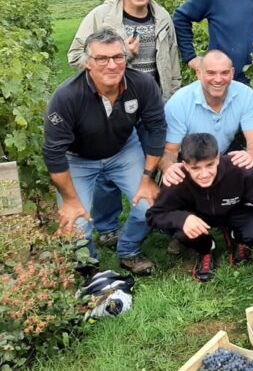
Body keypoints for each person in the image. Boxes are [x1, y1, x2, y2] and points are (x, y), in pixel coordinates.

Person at [67, 0, 180, 250]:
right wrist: (121, 58)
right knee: (107, 168)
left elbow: (171, 61)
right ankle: (107, 227)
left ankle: (157, 218)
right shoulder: (101, 17)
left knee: (157, 163)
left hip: (152, 104)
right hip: (112, 105)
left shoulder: (162, 16)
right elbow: (74, 56)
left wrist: (172, 96)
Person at [43, 28, 166, 275]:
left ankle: (128, 250)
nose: (111, 65)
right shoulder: (67, 97)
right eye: (101, 59)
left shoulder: (142, 85)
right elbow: (54, 153)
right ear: (88, 63)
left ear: (126, 58)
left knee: (149, 206)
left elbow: (156, 129)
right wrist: (69, 199)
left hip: (124, 151)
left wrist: (147, 179)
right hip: (77, 159)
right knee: (76, 223)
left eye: (118, 57)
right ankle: (87, 266)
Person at [146, 133, 253, 283]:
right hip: (198, 217)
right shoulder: (177, 178)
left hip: (234, 210)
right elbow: (154, 215)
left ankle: (235, 236)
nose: (204, 174)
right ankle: (206, 247)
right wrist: (182, 219)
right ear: (185, 165)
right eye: (196, 168)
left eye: (209, 165)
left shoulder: (238, 168)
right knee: (176, 229)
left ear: (217, 158)